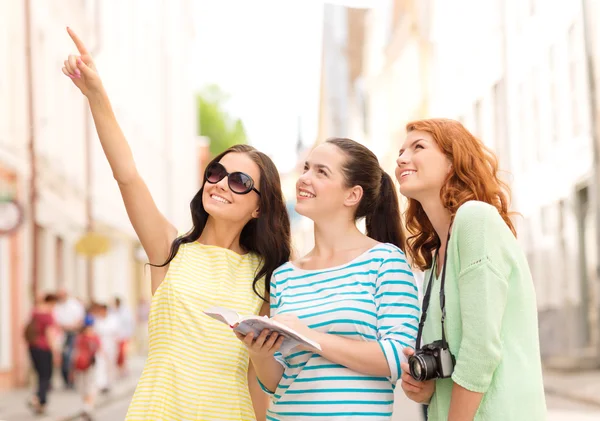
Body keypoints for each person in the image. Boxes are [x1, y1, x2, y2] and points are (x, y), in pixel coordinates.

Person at [62, 27, 291, 421]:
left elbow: (260, 377)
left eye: (240, 181)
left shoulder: (268, 275)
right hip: (158, 411)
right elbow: (128, 175)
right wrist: (97, 97)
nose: (220, 184)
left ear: (259, 207)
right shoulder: (169, 248)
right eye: (217, 172)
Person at [236, 138, 420, 420]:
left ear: (352, 195)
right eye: (307, 168)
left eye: (321, 172)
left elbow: (399, 356)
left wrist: (309, 336)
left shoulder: (385, 261)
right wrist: (260, 353)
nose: (305, 179)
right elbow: (276, 383)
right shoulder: (284, 276)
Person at [395, 119, 546, 420]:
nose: (401, 159)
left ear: (453, 163)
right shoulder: (435, 258)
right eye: (400, 151)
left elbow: (480, 352)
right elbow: (456, 362)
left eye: (418, 147)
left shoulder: (475, 220)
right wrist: (427, 388)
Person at [25, 293, 60, 415]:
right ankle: (37, 398)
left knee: (40, 375)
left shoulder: (35, 312)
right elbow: (50, 334)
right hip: (44, 348)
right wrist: (55, 353)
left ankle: (40, 404)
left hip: (32, 347)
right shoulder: (47, 315)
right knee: (46, 376)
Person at [54, 288, 85, 389]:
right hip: (61, 333)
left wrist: (72, 326)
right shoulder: (57, 306)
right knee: (63, 357)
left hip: (73, 333)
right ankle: (66, 380)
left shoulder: (74, 305)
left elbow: (80, 319)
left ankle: (72, 380)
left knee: (71, 357)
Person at [73, 314, 101, 421]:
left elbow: (75, 352)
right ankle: (87, 407)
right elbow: (98, 350)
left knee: (83, 387)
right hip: (90, 364)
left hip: (80, 365)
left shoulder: (79, 337)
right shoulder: (94, 337)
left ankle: (86, 406)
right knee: (90, 386)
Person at [113, 297, 134, 377]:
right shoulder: (114, 312)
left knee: (123, 354)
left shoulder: (125, 312)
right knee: (118, 355)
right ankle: (120, 370)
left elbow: (129, 324)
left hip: (124, 336)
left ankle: (124, 370)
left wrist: (129, 335)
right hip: (116, 337)